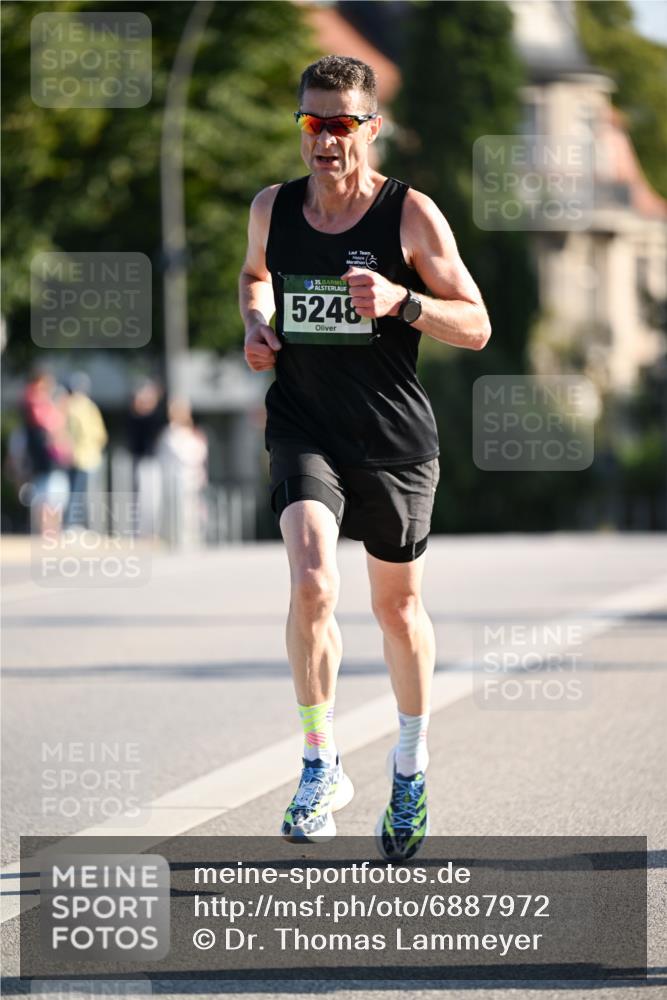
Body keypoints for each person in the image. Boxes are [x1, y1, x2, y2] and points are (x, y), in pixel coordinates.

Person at [239, 56, 491, 861]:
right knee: (311, 579)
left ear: (369, 129)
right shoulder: (271, 209)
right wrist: (255, 324)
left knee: (396, 611)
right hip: (304, 423)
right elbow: (252, 279)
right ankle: (319, 763)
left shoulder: (408, 216)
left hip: (391, 439)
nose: (324, 139)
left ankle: (409, 766)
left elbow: (477, 324)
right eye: (311, 122)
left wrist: (402, 301)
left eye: (341, 124)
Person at [22, 367, 72, 535]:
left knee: (55, 494)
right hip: (43, 457)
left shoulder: (46, 401)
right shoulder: (34, 399)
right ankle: (46, 530)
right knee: (45, 494)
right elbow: (47, 422)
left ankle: (53, 529)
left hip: (51, 457)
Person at [157, 398, 208, 547]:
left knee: (192, 512)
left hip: (191, 479)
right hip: (176, 480)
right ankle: (177, 539)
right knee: (177, 512)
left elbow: (199, 454)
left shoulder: (192, 433)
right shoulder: (170, 434)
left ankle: (191, 539)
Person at [63, 372, 108, 529]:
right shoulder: (85, 406)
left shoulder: (70, 405)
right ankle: (72, 524)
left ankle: (73, 524)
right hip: (84, 457)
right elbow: (99, 434)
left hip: (77, 456)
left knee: (76, 492)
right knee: (78, 492)